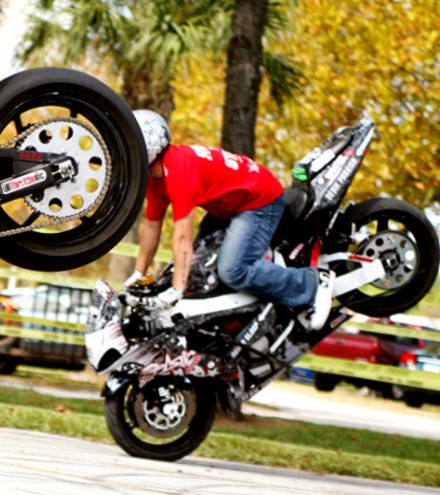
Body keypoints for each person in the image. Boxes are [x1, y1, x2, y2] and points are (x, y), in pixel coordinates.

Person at [124, 110, 334, 330]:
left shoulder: (178, 171)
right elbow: (151, 228)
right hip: (227, 207)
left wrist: (177, 287)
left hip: (258, 200)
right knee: (200, 269)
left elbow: (182, 237)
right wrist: (138, 273)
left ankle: (312, 285)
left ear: (148, 144)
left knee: (233, 270)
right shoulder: (155, 180)